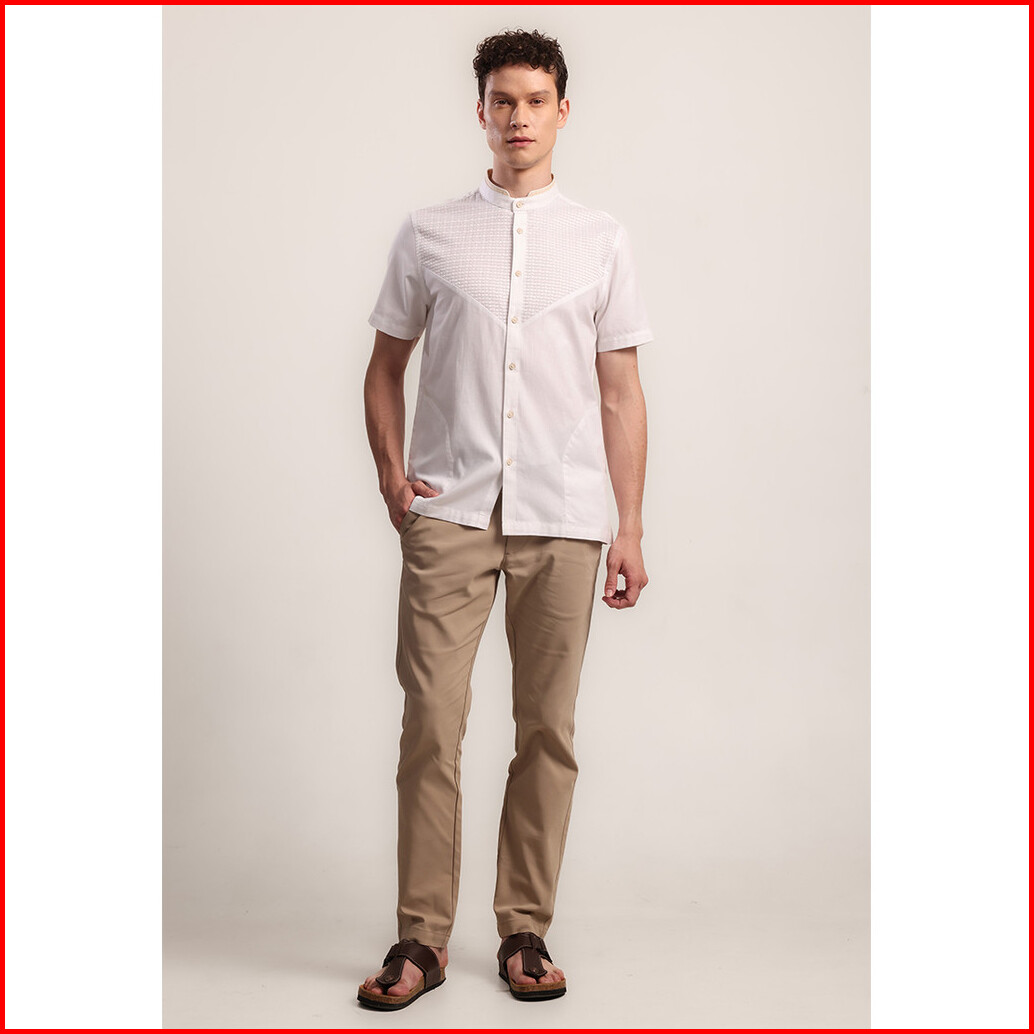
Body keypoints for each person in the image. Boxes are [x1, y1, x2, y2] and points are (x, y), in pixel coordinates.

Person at [358, 27, 652, 1010]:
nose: (517, 117)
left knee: (547, 730)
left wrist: (629, 526)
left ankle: (524, 928)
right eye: (501, 101)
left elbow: (620, 391)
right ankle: (421, 938)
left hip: (564, 514)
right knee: (429, 725)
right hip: (449, 510)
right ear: (479, 112)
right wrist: (393, 478)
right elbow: (384, 366)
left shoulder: (601, 239)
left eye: (534, 100)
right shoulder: (429, 232)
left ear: (562, 111)